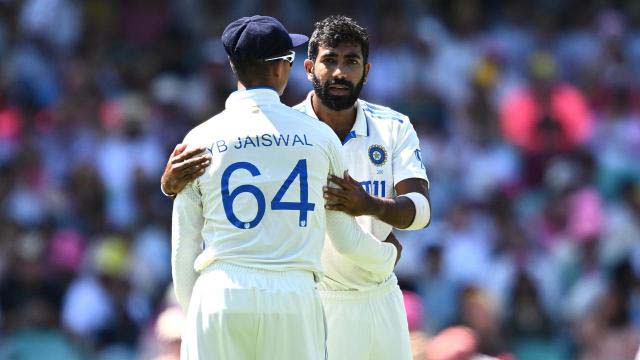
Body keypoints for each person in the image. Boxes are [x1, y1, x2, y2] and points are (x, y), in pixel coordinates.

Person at [163, 15, 429, 360]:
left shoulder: (392, 126)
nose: (339, 73)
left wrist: (370, 206)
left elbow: (184, 243)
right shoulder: (309, 134)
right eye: (329, 61)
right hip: (308, 293)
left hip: (364, 293)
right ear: (297, 67)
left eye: (351, 61)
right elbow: (344, 235)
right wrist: (388, 255)